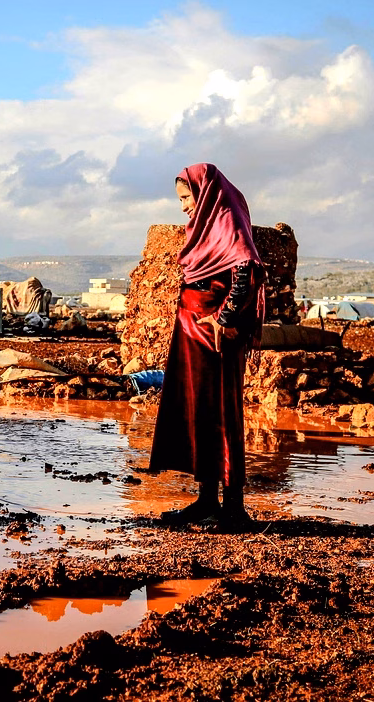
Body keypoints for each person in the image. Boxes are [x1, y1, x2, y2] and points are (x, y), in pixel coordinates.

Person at [150, 163, 265, 526]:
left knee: (219, 414)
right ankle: (206, 500)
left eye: (187, 197)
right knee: (198, 412)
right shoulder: (206, 229)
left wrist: (223, 320)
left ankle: (232, 506)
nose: (184, 206)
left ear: (207, 194)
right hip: (193, 335)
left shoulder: (226, 221)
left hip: (212, 336)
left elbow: (247, 270)